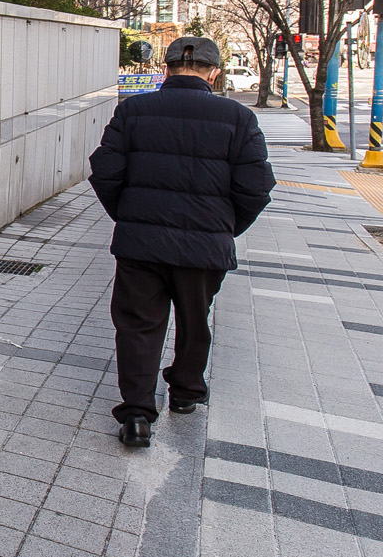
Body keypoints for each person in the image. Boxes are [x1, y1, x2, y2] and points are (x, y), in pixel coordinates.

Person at [88, 36, 275, 447]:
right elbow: (257, 187)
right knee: (195, 318)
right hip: (205, 246)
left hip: (141, 243)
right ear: (214, 72)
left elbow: (104, 170)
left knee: (138, 325)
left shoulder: (134, 110)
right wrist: (224, 227)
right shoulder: (238, 118)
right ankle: (187, 391)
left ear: (166, 67)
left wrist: (130, 215)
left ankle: (137, 415)